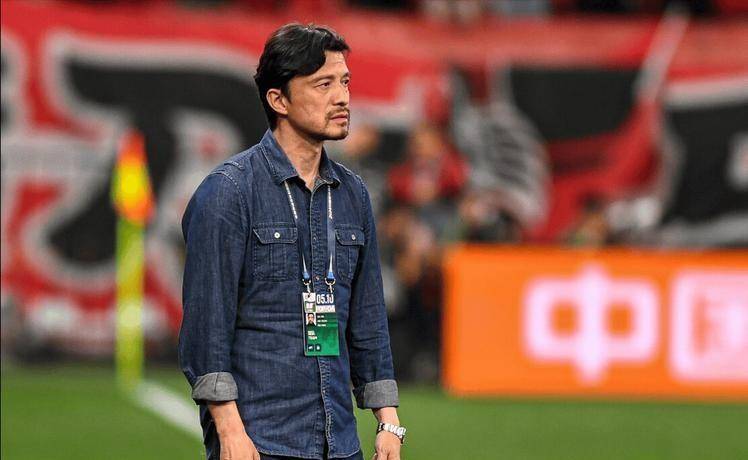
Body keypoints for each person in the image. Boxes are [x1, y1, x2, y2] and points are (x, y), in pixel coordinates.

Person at [178, 23, 404, 460]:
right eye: (323, 84)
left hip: (340, 444)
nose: (342, 97)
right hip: (259, 441)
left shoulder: (354, 194)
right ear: (278, 100)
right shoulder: (229, 191)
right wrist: (230, 431)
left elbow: (368, 319)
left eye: (344, 82)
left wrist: (388, 421)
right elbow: (207, 327)